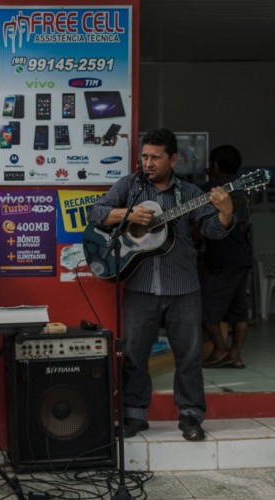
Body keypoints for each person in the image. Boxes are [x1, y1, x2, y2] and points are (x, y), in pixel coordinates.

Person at [87, 128, 235, 441]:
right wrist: (127, 216)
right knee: (134, 355)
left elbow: (213, 230)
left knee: (189, 355)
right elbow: (95, 212)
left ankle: (191, 415)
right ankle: (134, 415)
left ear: (173, 159)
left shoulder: (190, 194)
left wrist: (225, 214)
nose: (148, 163)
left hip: (182, 287)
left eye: (156, 157)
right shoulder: (130, 186)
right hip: (140, 286)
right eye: (144, 156)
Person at [200, 145, 252, 369]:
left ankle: (220, 349)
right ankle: (236, 354)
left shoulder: (213, 188)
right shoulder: (241, 191)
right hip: (242, 257)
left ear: (215, 165)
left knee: (206, 309)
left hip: (222, 259)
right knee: (239, 311)